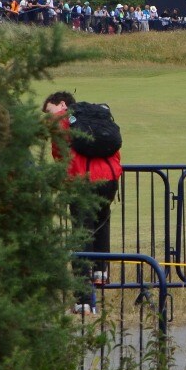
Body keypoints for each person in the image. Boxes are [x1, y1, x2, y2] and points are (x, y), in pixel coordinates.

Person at [44, 91, 123, 314]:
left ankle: (83, 301)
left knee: (81, 236)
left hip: (82, 182)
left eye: (49, 110)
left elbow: (60, 155)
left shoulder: (62, 122)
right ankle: (101, 272)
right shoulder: (98, 117)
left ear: (61, 104)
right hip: (109, 180)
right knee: (101, 222)